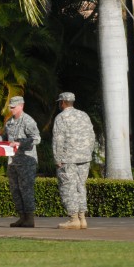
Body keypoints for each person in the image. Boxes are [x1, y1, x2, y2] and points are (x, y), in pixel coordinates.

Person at [52, 92, 95, 229]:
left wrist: (57, 158)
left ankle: (73, 218)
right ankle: (82, 218)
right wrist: (88, 152)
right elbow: (92, 136)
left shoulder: (61, 117)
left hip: (68, 158)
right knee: (80, 186)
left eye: (60, 102)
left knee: (68, 187)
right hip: (84, 157)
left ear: (63, 102)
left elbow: (58, 139)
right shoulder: (84, 116)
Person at [0, 96, 41, 228]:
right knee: (15, 190)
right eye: (10, 107)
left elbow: (36, 139)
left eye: (13, 107)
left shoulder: (28, 121)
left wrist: (20, 143)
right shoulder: (10, 122)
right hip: (13, 162)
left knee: (26, 190)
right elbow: (5, 136)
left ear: (21, 106)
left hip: (26, 162)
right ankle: (22, 217)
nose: (11, 109)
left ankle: (29, 218)